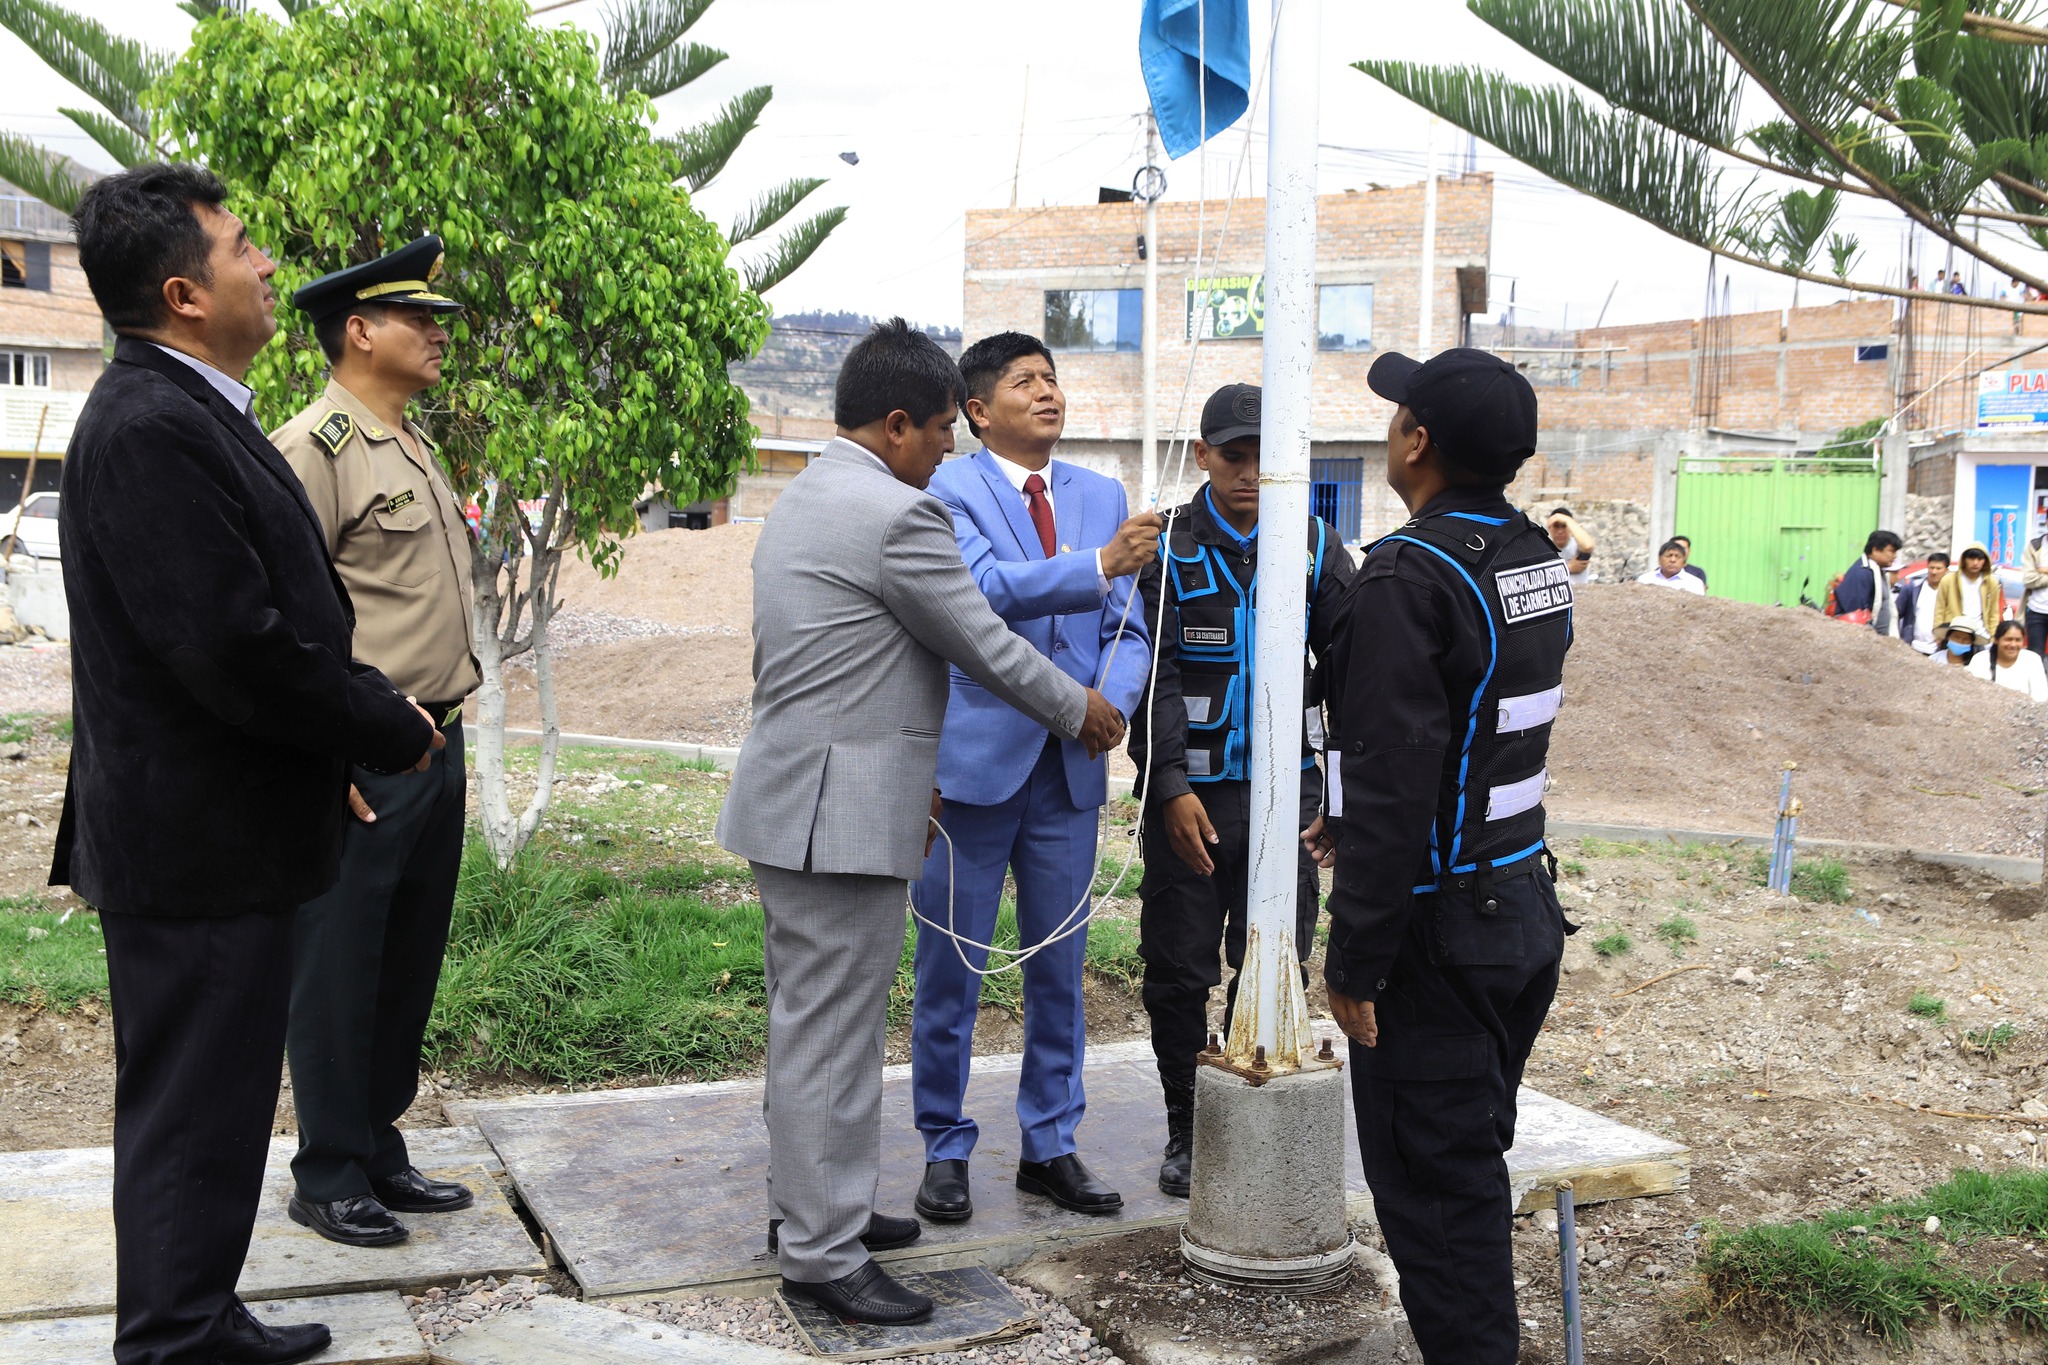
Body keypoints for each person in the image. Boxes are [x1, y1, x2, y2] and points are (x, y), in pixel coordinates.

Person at [51, 164, 440, 1365]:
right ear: (181, 292)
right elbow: (234, 646)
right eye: (239, 248)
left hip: (227, 828)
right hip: (191, 843)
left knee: (218, 1107)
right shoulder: (152, 427)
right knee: (186, 1111)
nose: (266, 265)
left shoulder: (192, 406)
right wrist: (376, 719)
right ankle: (171, 1341)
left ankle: (200, 1315)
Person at [713, 319, 1123, 1325]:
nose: (947, 451)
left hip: (799, 800)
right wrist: (1082, 709)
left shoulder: (807, 494)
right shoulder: (898, 517)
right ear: (896, 426)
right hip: (837, 817)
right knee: (832, 1040)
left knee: (808, 1028)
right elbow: (981, 642)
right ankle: (820, 1254)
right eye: (940, 429)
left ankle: (815, 1208)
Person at [1303, 348, 1571, 1364]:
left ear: (1414, 443)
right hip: (1516, 912)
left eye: (1394, 414)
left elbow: (1395, 782)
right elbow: (1472, 735)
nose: (1386, 429)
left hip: (1437, 938)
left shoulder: (1406, 576)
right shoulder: (1530, 559)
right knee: (1463, 1170)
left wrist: (1354, 961)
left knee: (1434, 1199)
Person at [908, 332, 1156, 1226]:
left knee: (1061, 968)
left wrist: (1113, 703)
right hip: (972, 768)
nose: (1047, 392)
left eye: (1053, 378)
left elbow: (1130, 626)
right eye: (1024, 382)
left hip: (1070, 768)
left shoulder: (1102, 494)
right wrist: (1098, 565)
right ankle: (944, 1145)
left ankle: (1050, 1143)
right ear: (978, 410)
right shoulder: (948, 488)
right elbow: (978, 593)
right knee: (952, 968)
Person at [269, 237, 480, 1248]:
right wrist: (315, 759)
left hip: (437, 743)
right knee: (339, 964)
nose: (438, 333)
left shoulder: (409, 443)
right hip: (362, 760)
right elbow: (282, 628)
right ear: (358, 330)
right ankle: (327, 1168)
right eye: (418, 318)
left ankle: (376, 1142)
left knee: (404, 960)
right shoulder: (312, 450)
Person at [1125, 382, 1354, 1198]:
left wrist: (1340, 793)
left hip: (1286, 800)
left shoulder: (1318, 547)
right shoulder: (1169, 549)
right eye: (1234, 455)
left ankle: (1237, 1099)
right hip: (1193, 801)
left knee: (1275, 957)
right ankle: (1187, 1122)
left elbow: (1355, 672)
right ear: (1204, 456)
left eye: (1267, 456)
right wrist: (1169, 788)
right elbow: (1148, 675)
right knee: (1178, 969)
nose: (1251, 473)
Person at [1936, 543, 2003, 665]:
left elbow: (1994, 613)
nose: (1975, 563)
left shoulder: (1991, 582)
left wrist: (1993, 636)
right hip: (1954, 632)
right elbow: (1939, 608)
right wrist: (1938, 633)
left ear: (1985, 561)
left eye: (1979, 559)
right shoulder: (1949, 580)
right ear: (1964, 560)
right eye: (1971, 558)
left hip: (1979, 634)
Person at [1833, 531, 1901, 634]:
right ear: (1875, 550)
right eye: (1891, 551)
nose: (1895, 556)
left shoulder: (1878, 571)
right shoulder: (1862, 573)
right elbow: (1856, 616)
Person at [1969, 620, 2048, 700]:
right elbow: (1972, 695)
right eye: (2008, 639)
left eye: (2018, 640)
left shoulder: (2033, 659)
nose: (2013, 645)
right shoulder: (1979, 660)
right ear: (1996, 640)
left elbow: (2040, 697)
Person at [1895, 551, 1949, 656]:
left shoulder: (1950, 593)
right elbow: (1896, 613)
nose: (1934, 572)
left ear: (1946, 570)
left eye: (1938, 568)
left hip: (1938, 650)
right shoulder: (1912, 589)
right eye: (1931, 568)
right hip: (1912, 647)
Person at [1545, 504, 1593, 586]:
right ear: (1550, 528)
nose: (1560, 531)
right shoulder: (1544, 550)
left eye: (1564, 526)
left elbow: (1588, 546)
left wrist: (1568, 520)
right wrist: (1567, 568)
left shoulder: (1578, 546)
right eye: (1556, 526)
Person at [1637, 539, 1705, 594]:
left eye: (1677, 556)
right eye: (1669, 556)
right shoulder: (1645, 580)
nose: (1673, 560)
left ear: (1683, 560)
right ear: (1659, 559)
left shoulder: (1694, 583)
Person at [2022, 525, 2048, 655]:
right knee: (2035, 657)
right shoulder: (2035, 546)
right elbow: (2028, 579)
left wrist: (2043, 570)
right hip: (2036, 610)